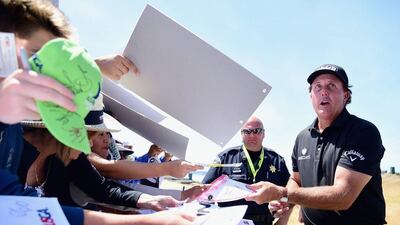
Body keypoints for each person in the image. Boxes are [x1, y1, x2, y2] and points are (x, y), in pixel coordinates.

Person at [0, 1, 194, 224]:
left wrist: (150, 204)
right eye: (34, 56)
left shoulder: (16, 136)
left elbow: (14, 205)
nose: (37, 74)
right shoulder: (11, 134)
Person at [245, 64, 386, 225]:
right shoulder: (303, 137)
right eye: (317, 87)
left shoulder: (363, 132)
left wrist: (281, 193)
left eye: (331, 86)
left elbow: (343, 196)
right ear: (311, 96)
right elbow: (296, 179)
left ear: (346, 95)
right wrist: (284, 200)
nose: (323, 91)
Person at [202, 117, 291, 225]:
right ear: (241, 134)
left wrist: (282, 216)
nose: (252, 135)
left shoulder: (277, 160)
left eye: (257, 131)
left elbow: (289, 193)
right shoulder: (225, 158)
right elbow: (203, 193)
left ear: (264, 134)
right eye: (247, 131)